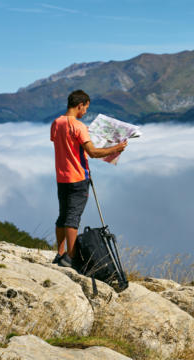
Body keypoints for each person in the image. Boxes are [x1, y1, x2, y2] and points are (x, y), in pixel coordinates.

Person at [50, 89, 127, 267]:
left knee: (62, 216)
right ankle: (71, 257)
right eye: (85, 108)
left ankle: (60, 254)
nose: (85, 112)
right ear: (80, 105)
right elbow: (92, 152)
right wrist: (116, 148)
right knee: (73, 218)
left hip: (62, 176)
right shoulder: (79, 127)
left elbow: (61, 144)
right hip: (77, 176)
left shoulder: (56, 123)